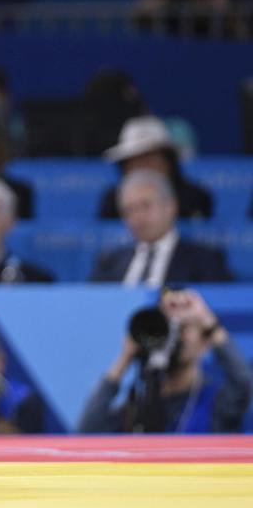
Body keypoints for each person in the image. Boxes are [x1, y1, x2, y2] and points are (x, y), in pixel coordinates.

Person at [78, 288, 252, 432]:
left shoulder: (216, 401)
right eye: (169, 328)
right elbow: (88, 430)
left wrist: (208, 321)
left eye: (182, 328)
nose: (174, 337)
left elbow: (244, 383)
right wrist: (126, 356)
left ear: (204, 344)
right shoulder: (140, 405)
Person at [90, 170, 232, 286]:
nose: (137, 217)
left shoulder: (204, 259)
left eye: (145, 206)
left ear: (170, 206)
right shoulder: (109, 262)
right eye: (129, 210)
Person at [97, 116, 213, 220]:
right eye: (136, 162)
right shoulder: (113, 202)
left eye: (150, 159)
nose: (144, 169)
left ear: (168, 162)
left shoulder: (195, 198)